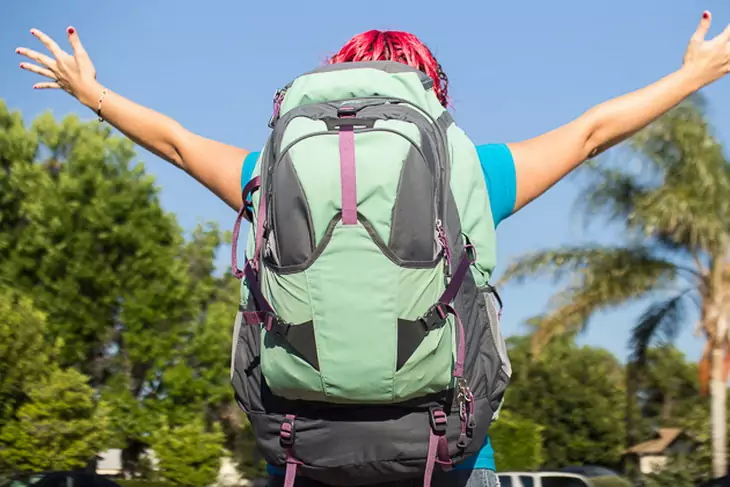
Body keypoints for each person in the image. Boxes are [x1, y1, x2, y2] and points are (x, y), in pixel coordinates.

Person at [15, 11, 730, 487]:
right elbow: (591, 132)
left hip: (303, 450)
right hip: (444, 455)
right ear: (429, 97)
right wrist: (692, 76)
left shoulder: (271, 175)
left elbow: (175, 142)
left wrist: (94, 94)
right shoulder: (470, 171)